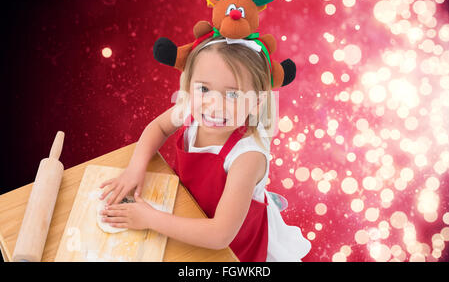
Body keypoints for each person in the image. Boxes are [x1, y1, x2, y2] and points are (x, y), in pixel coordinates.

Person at [98, 36, 311, 261]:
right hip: (189, 206)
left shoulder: (247, 157)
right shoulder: (191, 108)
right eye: (204, 89)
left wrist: (150, 218)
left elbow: (220, 235)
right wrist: (135, 168)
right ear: (189, 85)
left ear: (257, 102)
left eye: (232, 94)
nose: (214, 104)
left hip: (231, 240)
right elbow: (158, 127)